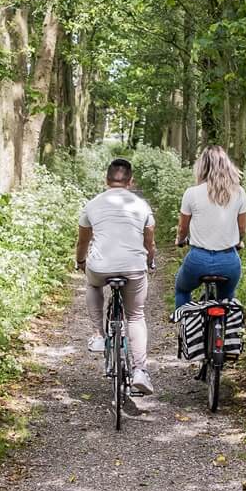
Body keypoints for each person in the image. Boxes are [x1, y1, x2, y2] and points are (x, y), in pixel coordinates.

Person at [77, 157, 156, 396]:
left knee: (92, 283)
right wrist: (150, 261)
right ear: (131, 182)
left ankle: (98, 335)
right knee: (135, 315)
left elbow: (82, 241)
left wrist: (81, 261)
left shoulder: (92, 204)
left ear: (106, 180)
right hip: (133, 268)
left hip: (101, 267)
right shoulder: (142, 206)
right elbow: (149, 242)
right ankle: (140, 370)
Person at [174, 144, 246, 310]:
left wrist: (180, 240)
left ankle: (185, 329)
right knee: (226, 299)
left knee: (181, 289)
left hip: (198, 260)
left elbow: (182, 229)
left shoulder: (191, 193)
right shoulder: (239, 192)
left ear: (202, 167)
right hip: (229, 261)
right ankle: (227, 332)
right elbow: (242, 229)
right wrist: (239, 241)